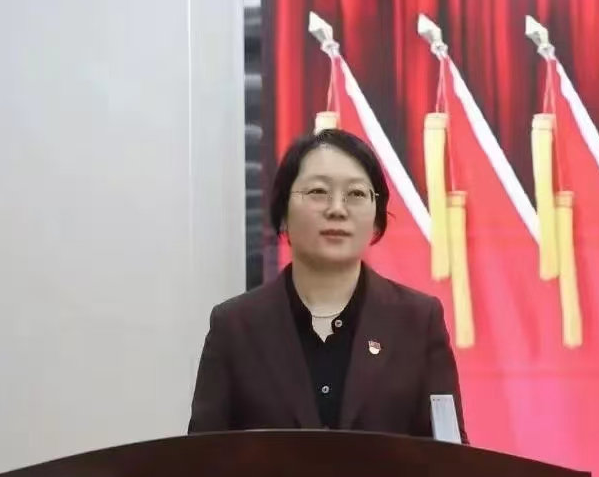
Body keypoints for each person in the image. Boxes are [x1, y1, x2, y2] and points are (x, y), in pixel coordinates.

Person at [187, 129, 466, 442]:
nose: (337, 209)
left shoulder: (418, 321)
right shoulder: (235, 326)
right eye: (318, 192)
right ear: (283, 213)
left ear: (376, 218)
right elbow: (200, 459)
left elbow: (450, 455)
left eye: (356, 194)